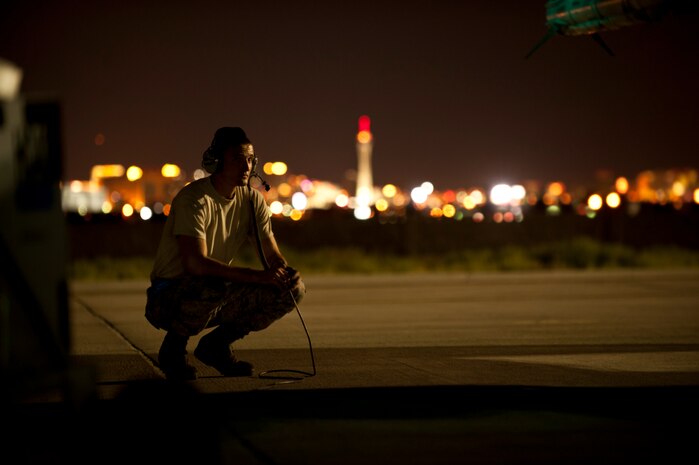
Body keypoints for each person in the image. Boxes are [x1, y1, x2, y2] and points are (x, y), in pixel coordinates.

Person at [145, 126, 305, 381]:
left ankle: (216, 346)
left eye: (251, 160)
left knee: (291, 289)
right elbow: (195, 264)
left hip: (212, 293)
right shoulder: (194, 199)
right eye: (238, 159)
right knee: (213, 283)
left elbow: (272, 254)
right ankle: (173, 348)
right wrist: (257, 276)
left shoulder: (253, 201)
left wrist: (283, 272)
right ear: (217, 162)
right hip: (169, 297)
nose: (246, 167)